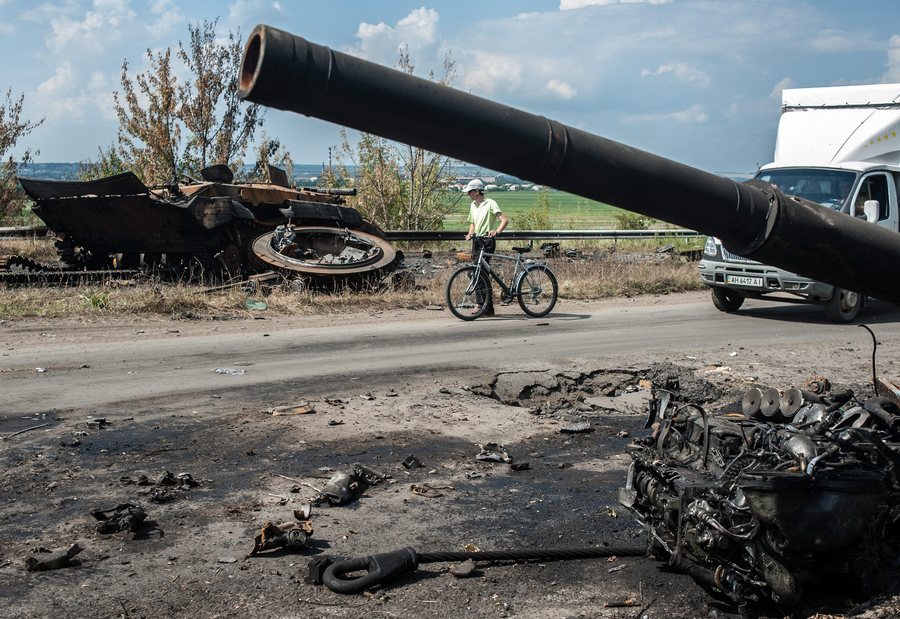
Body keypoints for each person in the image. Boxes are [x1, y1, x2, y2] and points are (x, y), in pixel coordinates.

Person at [463, 179, 508, 316]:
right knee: (476, 272)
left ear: (477, 191)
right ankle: (487, 308)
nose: (468, 194)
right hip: (477, 241)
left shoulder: (490, 203)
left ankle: (481, 305)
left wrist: (496, 231)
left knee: (480, 272)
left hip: (487, 241)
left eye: (470, 191)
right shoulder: (473, 205)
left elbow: (504, 220)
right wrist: (470, 233)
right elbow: (472, 223)